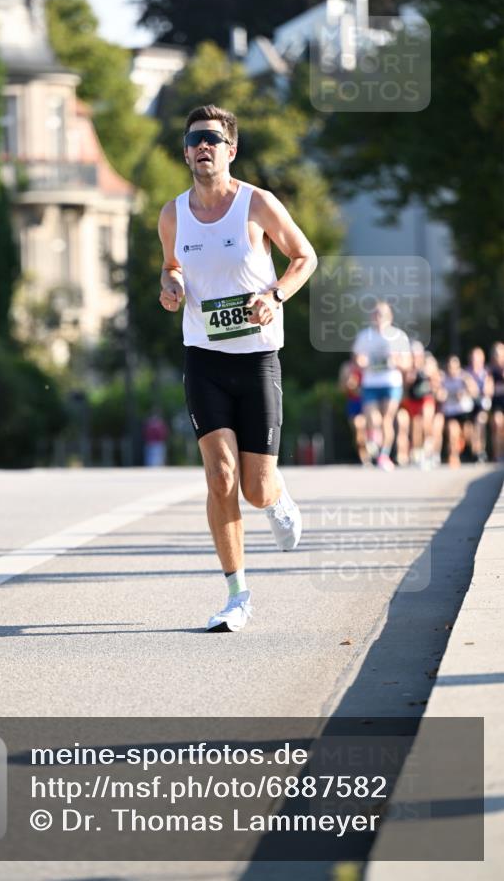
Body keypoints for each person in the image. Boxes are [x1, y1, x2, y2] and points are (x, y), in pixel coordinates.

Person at [157, 104, 317, 632]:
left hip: (257, 360)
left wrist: (276, 294)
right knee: (220, 476)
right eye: (194, 138)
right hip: (203, 359)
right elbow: (172, 266)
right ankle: (237, 594)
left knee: (255, 487)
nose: (203, 145)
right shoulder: (173, 214)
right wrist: (171, 285)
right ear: (185, 152)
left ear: (231, 150)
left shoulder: (256, 204)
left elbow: (304, 257)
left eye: (212, 138)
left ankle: (278, 498)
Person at [352, 302, 411, 470]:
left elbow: (407, 364)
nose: (379, 318)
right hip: (371, 383)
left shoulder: (399, 336)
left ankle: (384, 455)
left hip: (391, 383)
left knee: (386, 419)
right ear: (372, 317)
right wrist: (361, 362)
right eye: (376, 314)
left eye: (383, 315)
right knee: (373, 418)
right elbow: (356, 359)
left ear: (390, 317)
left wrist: (396, 361)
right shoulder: (365, 336)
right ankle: (374, 440)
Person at [396, 342, 436, 467]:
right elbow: (403, 388)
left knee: (426, 422)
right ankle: (417, 451)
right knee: (415, 425)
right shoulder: (407, 368)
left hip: (425, 399)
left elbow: (436, 382)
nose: (415, 358)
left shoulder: (429, 365)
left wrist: (428, 375)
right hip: (412, 400)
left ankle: (429, 447)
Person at [436, 355, 479, 467]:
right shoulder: (443, 378)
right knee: (452, 431)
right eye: (450, 367)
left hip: (464, 412)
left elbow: (475, 392)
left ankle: (473, 453)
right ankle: (454, 456)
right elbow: (439, 394)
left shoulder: (464, 377)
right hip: (451, 412)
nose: (452, 370)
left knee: (468, 434)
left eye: (454, 367)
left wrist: (466, 390)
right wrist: (442, 394)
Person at [338, 355, 369, 465]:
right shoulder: (347, 367)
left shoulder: (369, 366)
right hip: (354, 403)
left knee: (366, 427)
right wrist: (349, 385)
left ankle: (371, 453)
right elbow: (341, 388)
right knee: (358, 430)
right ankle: (364, 457)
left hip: (367, 402)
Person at [464, 347, 493, 462]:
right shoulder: (466, 372)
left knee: (480, 422)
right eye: (473, 358)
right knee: (468, 427)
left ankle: (480, 450)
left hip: (482, 405)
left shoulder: (486, 373)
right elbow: (469, 390)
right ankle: (473, 451)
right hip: (468, 406)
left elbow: (488, 390)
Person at [489, 341, 504, 462]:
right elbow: (488, 389)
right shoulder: (490, 371)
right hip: (497, 403)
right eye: (496, 354)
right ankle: (498, 455)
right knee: (498, 423)